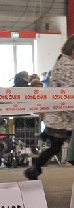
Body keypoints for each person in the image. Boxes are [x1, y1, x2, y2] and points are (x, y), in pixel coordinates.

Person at [25, 35, 74, 180]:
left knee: (55, 147)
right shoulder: (68, 66)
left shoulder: (62, 62)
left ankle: (34, 169)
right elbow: (69, 91)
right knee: (56, 147)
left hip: (59, 115)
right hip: (64, 115)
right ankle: (34, 169)